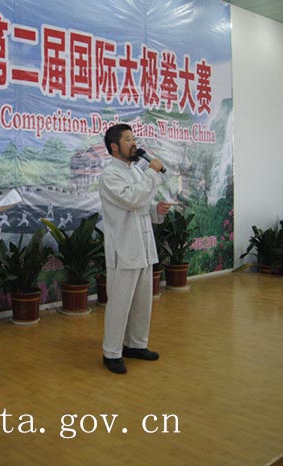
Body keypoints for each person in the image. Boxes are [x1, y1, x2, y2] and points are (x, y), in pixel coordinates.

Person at [99, 123, 172, 375]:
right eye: (128, 140)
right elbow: (131, 200)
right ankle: (111, 352)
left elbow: (141, 205)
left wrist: (156, 211)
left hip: (143, 247)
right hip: (124, 249)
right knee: (119, 304)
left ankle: (136, 345)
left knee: (143, 301)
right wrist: (153, 174)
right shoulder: (110, 175)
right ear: (114, 146)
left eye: (134, 139)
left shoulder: (137, 172)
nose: (134, 144)